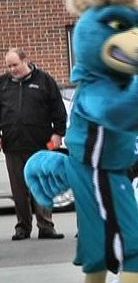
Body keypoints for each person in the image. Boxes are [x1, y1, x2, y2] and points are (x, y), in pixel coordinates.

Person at [0, 48, 66, 241]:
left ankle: (46, 226)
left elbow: (58, 110)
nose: (12, 69)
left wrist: (58, 133)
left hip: (40, 145)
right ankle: (23, 227)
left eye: (15, 65)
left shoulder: (44, 81)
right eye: (9, 66)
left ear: (25, 60)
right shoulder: (2, 84)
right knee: (19, 190)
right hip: (13, 145)